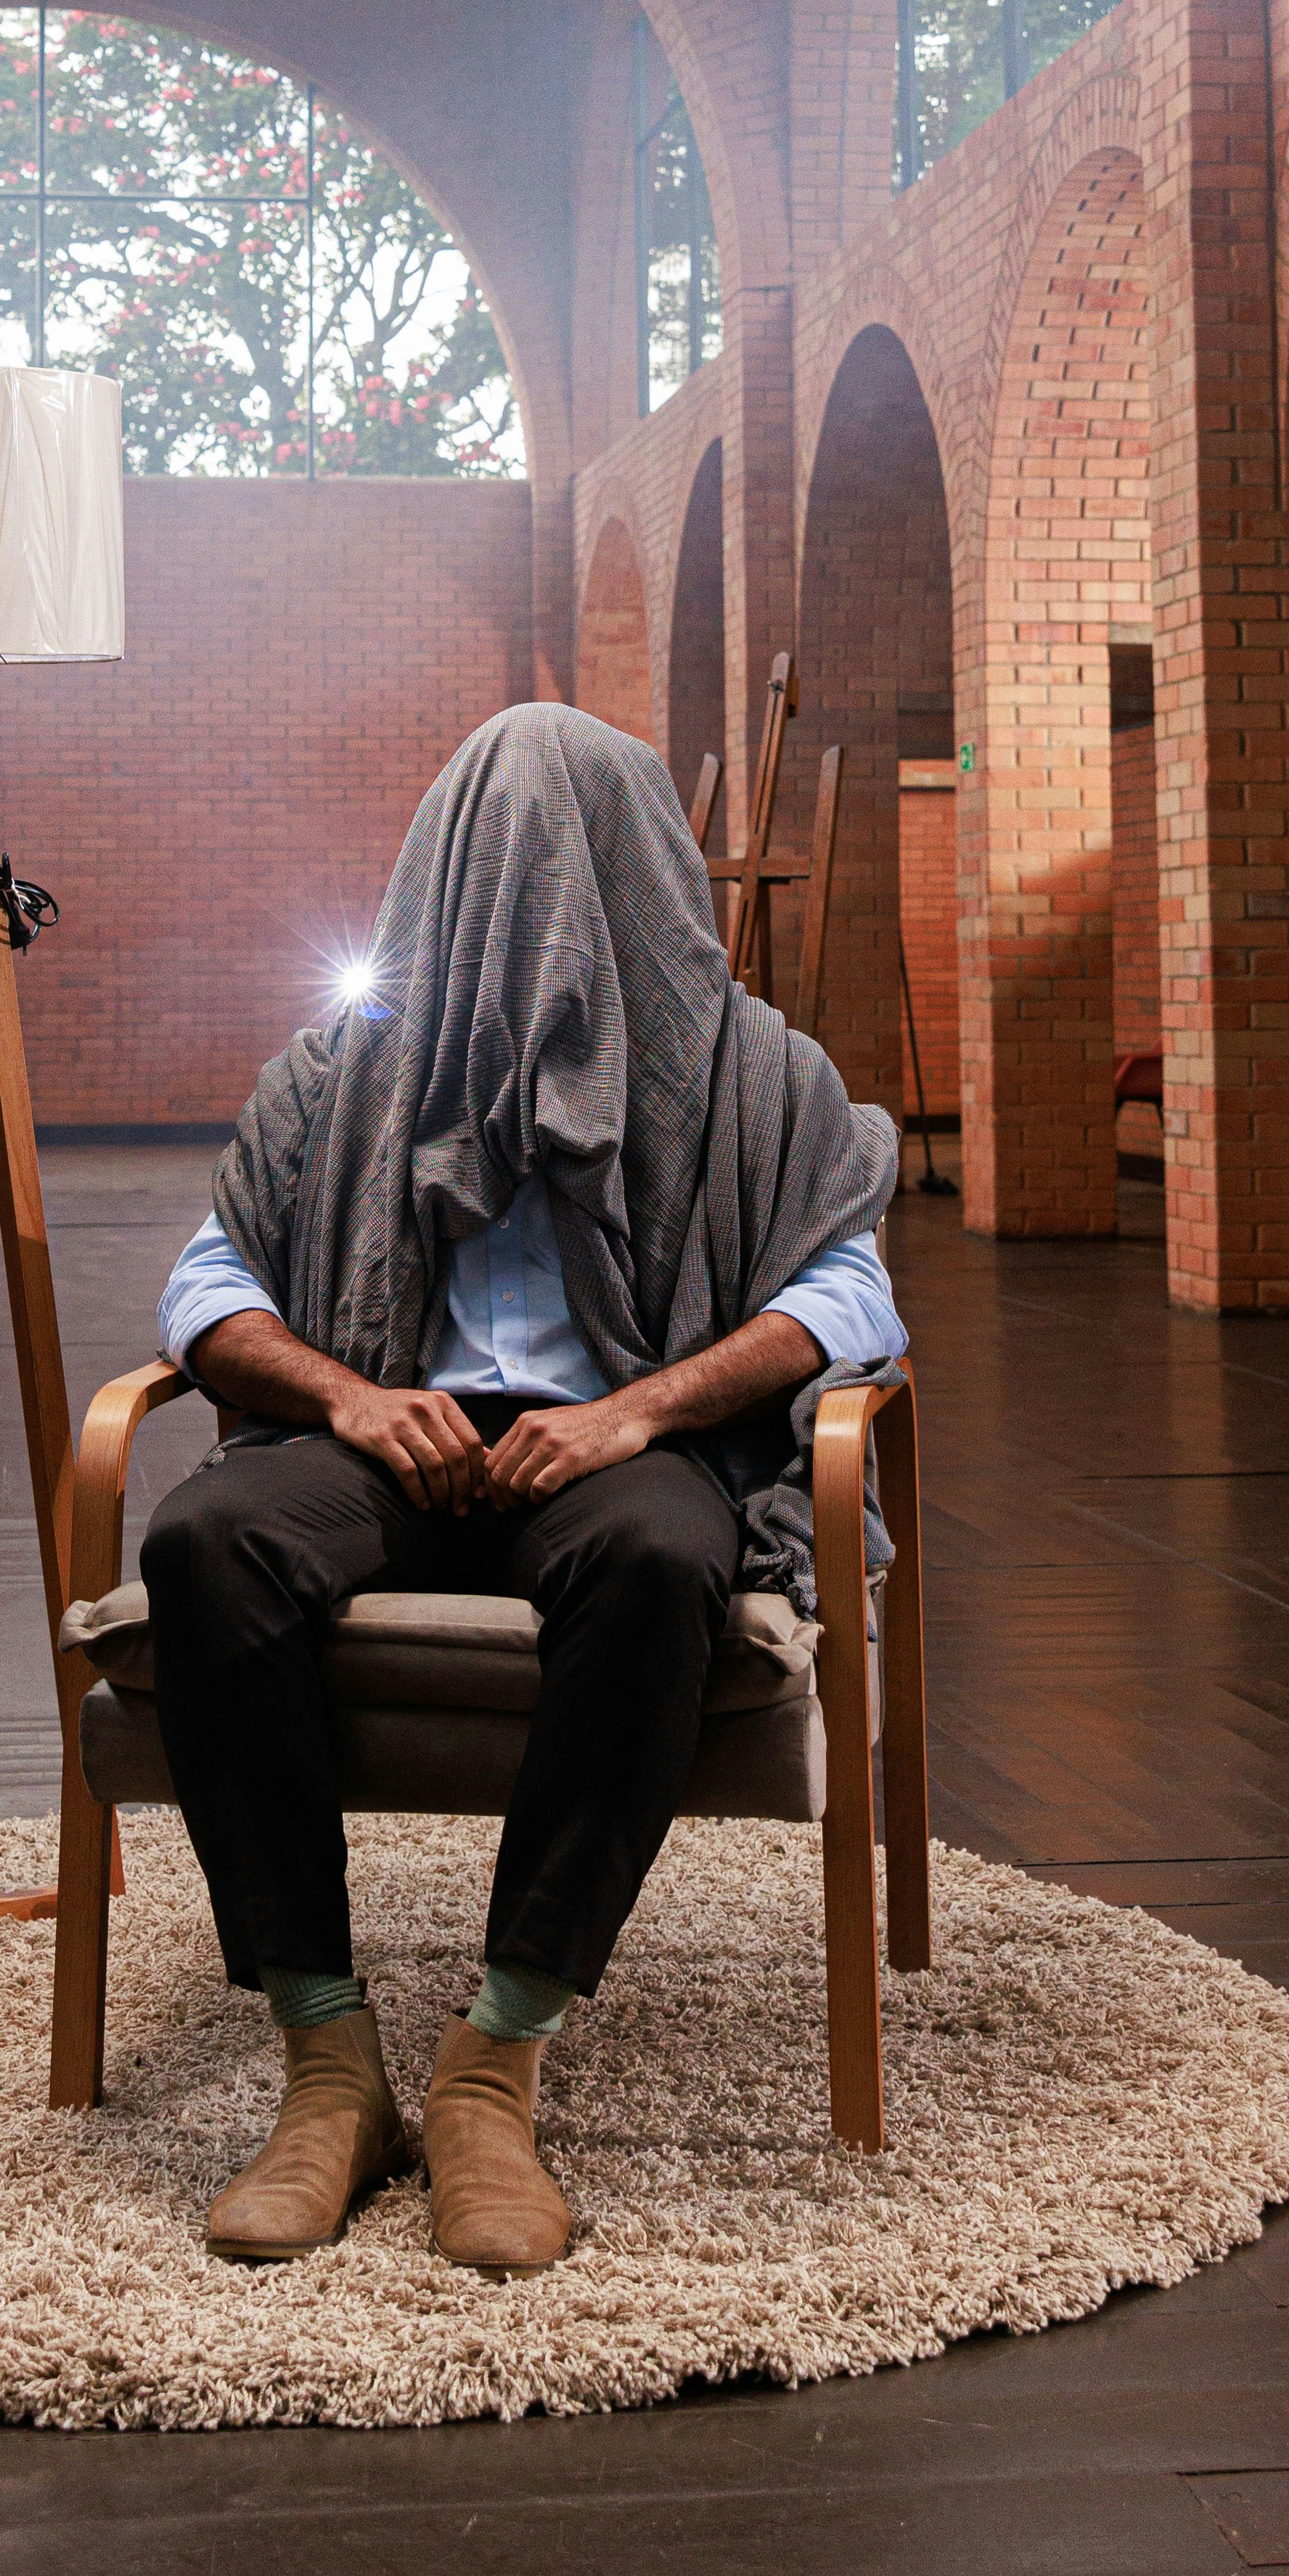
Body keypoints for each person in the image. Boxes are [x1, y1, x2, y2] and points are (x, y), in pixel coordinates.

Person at [142, 703, 902, 2280]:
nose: (529, 901)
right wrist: (348, 1393)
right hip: (383, 1438)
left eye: (567, 860)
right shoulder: (342, 1066)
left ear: (637, 867)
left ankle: (495, 2057)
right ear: (440, 867)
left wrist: (641, 1409)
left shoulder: (760, 1071)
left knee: (657, 1560)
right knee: (208, 1537)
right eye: (494, 861)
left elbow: (852, 1297)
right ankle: (325, 2061)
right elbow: (203, 1286)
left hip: (614, 1450)